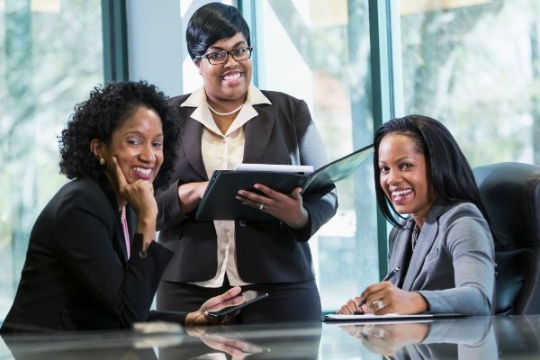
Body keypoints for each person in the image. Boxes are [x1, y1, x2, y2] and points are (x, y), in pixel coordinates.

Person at [0, 81, 245, 334]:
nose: (149, 156)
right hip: (43, 349)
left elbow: (122, 303)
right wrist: (148, 220)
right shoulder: (80, 206)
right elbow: (127, 313)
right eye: (134, 141)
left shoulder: (122, 204)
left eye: (157, 144)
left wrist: (187, 319)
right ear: (99, 149)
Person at [155, 2, 338, 323]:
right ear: (197, 62)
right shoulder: (166, 117)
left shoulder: (290, 111)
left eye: (240, 50)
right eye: (217, 54)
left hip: (280, 286)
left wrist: (299, 216)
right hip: (186, 289)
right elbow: (141, 203)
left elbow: (327, 193)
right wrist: (191, 194)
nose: (232, 63)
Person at [338, 115, 495, 316]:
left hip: (453, 345)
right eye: (384, 169)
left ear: (437, 165)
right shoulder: (401, 232)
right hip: (412, 344)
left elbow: (478, 298)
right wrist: (366, 309)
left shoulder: (463, 223)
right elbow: (399, 303)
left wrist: (415, 300)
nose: (391, 179)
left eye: (405, 165)